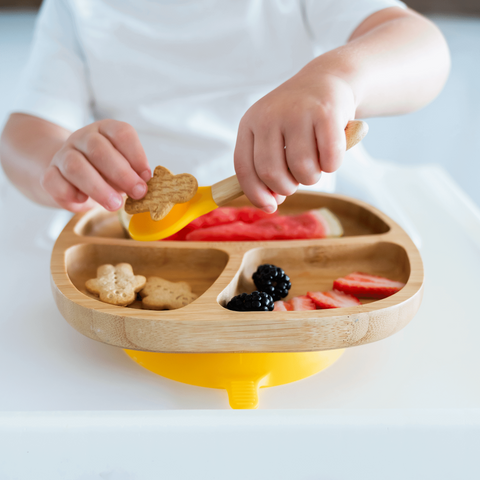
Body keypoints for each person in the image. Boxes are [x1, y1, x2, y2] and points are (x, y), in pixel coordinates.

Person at [0, 0, 450, 215]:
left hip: (292, 209)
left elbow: (423, 46)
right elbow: (24, 133)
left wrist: (335, 78)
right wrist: (58, 162)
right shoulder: (74, 9)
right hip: (137, 228)